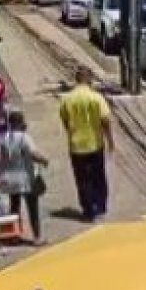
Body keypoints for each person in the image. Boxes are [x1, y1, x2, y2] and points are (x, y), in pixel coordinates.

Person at [59, 66, 114, 221]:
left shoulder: (67, 99)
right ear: (89, 80)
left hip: (76, 146)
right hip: (95, 144)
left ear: (76, 80)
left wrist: (71, 133)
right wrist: (110, 140)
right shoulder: (96, 97)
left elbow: (64, 120)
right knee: (98, 177)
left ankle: (88, 210)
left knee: (82, 179)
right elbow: (105, 120)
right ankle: (100, 206)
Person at [0, 109, 50, 245]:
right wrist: (44, 160)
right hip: (26, 178)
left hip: (9, 179)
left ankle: (14, 235)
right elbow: (33, 153)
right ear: (20, 122)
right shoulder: (24, 137)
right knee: (32, 208)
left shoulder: (3, 138)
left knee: (14, 208)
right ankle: (37, 237)